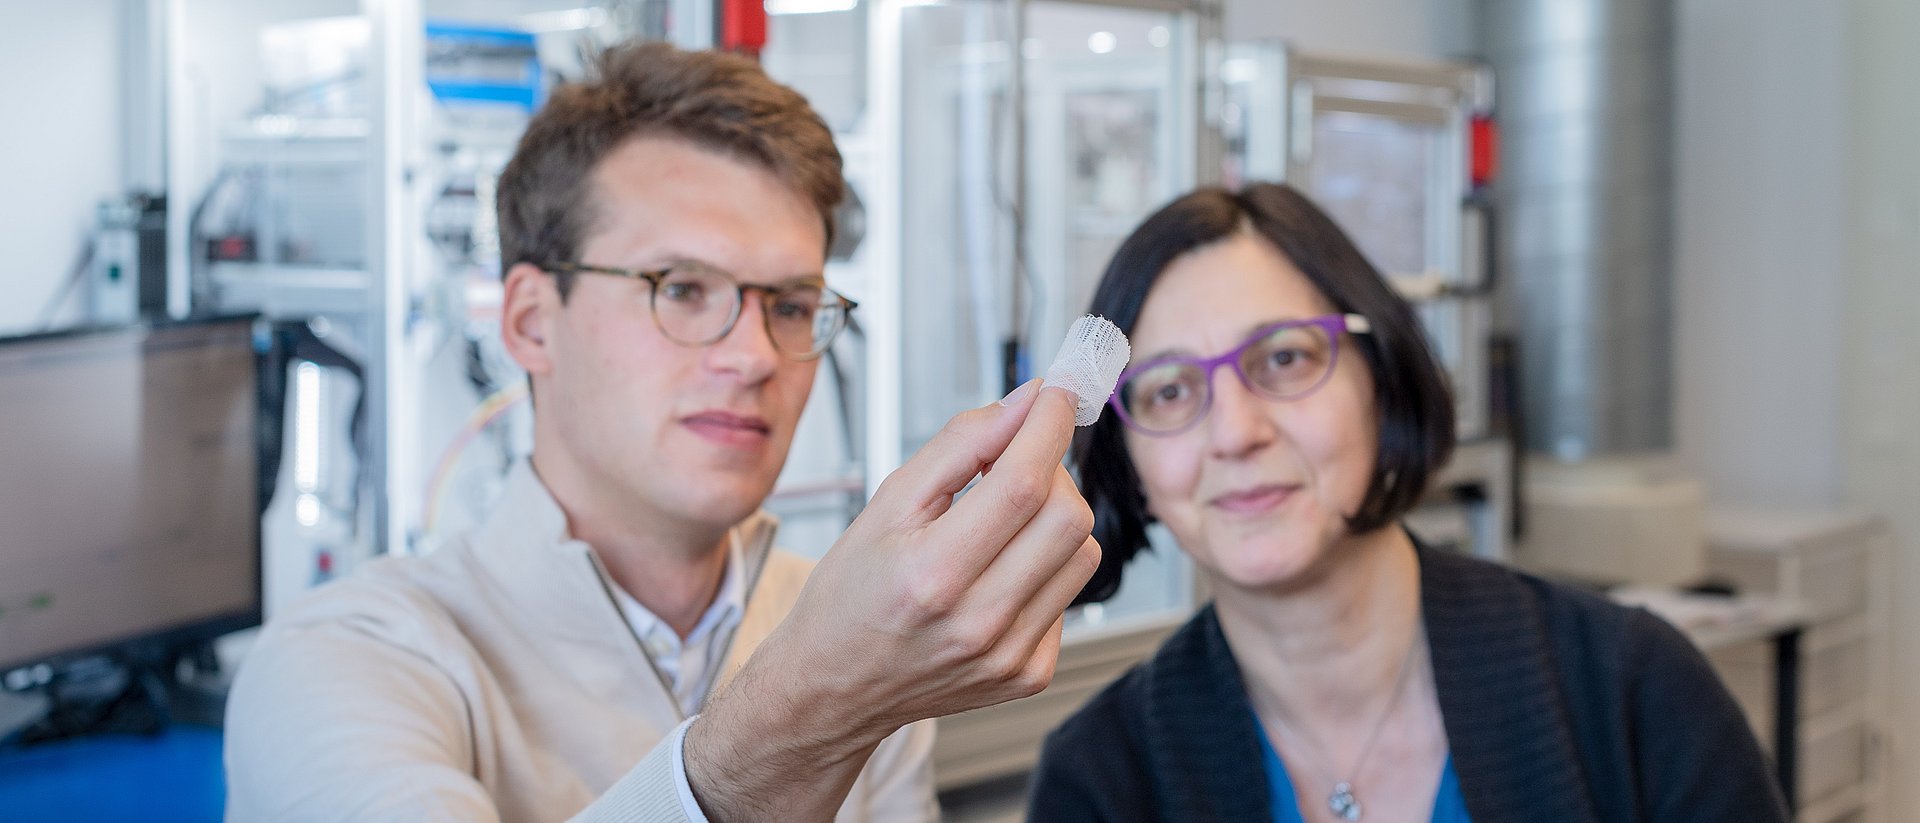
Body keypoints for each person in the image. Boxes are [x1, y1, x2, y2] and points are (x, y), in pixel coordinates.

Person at [225, 42, 1100, 822]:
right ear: (530, 319)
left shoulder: (850, 621)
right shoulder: (341, 660)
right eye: (681, 288)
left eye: (791, 305)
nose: (755, 355)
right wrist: (811, 710)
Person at [1026, 183, 1786, 823]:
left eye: (1284, 357)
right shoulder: (1099, 779)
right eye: (1169, 389)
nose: (1236, 432)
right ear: (1130, 466)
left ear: (1381, 377)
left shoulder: (1636, 692)